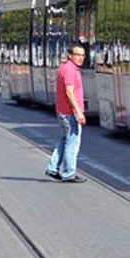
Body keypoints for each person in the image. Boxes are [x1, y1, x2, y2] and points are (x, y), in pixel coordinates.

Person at [45, 44, 88, 183]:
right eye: (77, 54)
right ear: (70, 55)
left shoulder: (66, 67)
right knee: (72, 143)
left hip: (64, 111)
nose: (81, 58)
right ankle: (69, 173)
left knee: (66, 140)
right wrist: (78, 112)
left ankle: (52, 168)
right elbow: (70, 92)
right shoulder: (69, 70)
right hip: (69, 113)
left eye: (83, 55)